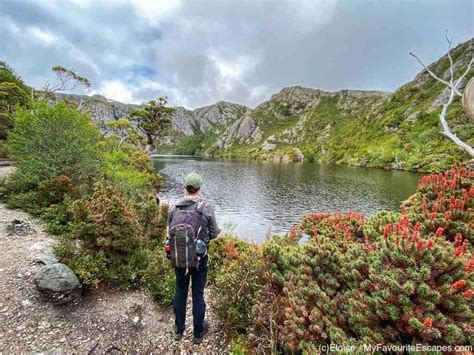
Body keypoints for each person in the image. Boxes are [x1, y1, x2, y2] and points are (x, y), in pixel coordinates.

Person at [167, 172, 218, 344]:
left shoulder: (174, 207)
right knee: (198, 293)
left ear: (185, 188)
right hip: (199, 259)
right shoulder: (206, 207)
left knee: (180, 291)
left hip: (179, 258)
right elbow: (213, 234)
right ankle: (198, 333)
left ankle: (178, 330)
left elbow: (170, 232)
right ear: (199, 188)